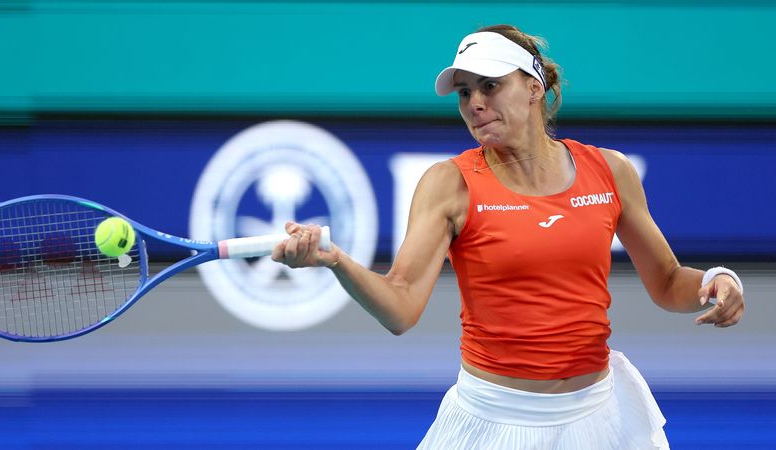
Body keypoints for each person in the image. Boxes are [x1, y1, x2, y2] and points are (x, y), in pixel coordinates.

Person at [271, 24, 746, 449]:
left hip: (602, 416)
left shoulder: (610, 171)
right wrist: (336, 261)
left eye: (490, 86)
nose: (474, 103)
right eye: (464, 92)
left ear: (534, 87)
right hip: (493, 421)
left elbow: (666, 281)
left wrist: (717, 280)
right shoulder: (449, 184)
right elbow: (399, 307)